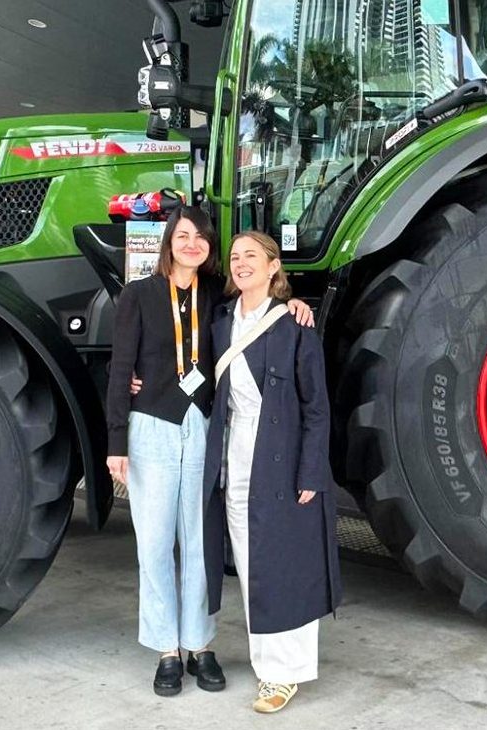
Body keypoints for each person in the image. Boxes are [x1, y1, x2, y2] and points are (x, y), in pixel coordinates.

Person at [106, 207, 313, 697]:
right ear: (168, 243)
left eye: (201, 237)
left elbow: (262, 304)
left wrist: (296, 304)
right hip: (151, 427)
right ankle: (166, 649)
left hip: (202, 427)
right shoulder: (137, 295)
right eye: (183, 235)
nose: (192, 243)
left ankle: (200, 645)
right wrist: (116, 442)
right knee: (154, 545)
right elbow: (120, 370)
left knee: (200, 542)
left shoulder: (219, 295)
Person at [202, 230, 342, 714]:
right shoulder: (220, 323)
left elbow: (316, 408)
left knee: (285, 567)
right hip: (233, 463)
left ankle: (282, 676)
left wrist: (310, 474)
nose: (241, 264)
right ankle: (269, 665)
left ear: (272, 266)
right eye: (235, 257)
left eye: (251, 257)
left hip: (281, 465)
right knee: (252, 568)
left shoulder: (295, 326)